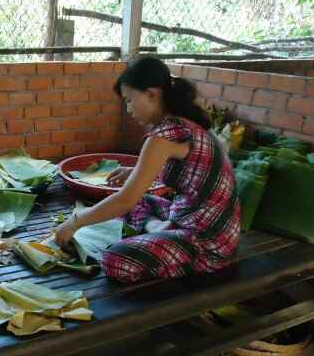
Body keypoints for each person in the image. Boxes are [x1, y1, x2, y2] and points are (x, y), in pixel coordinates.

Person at [56, 55, 240, 283]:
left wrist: (74, 222)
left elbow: (125, 200)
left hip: (208, 241)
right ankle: (158, 228)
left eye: (130, 100)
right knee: (140, 202)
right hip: (191, 216)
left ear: (151, 94)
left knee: (115, 259)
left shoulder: (164, 135)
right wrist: (132, 172)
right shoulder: (183, 123)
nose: (128, 109)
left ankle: (163, 234)